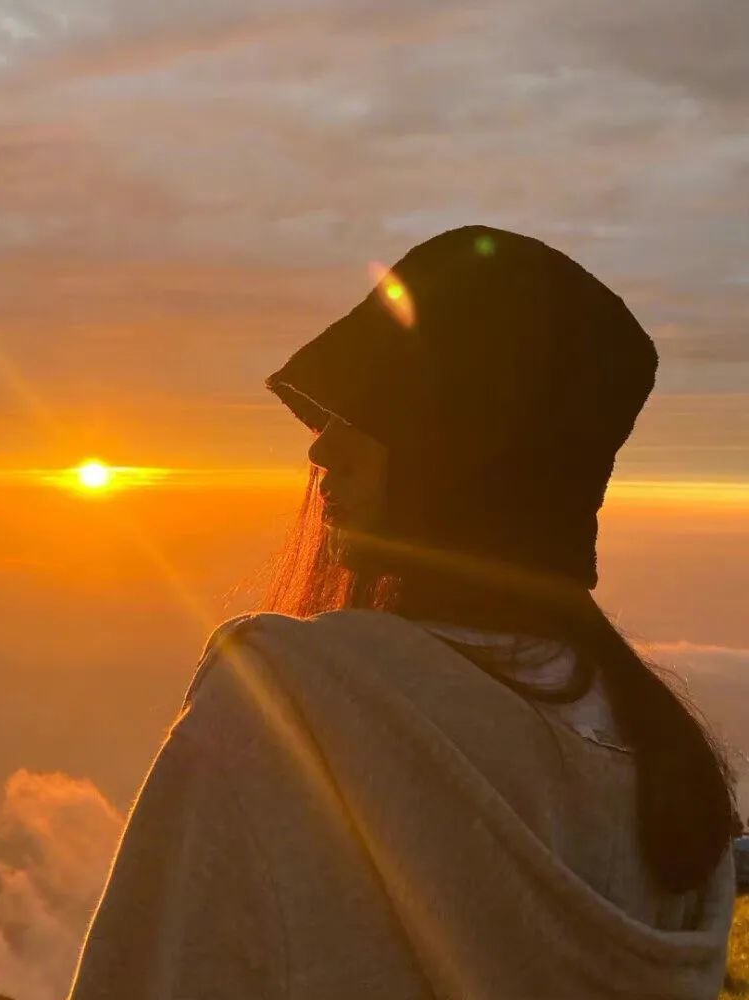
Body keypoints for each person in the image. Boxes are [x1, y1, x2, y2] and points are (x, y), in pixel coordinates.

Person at [66, 225, 738, 999]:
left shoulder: (285, 706)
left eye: (377, 414)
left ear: (461, 449)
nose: (322, 453)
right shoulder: (653, 751)